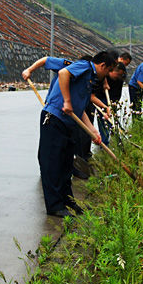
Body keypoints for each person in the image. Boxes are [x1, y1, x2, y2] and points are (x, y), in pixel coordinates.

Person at [26, 51, 115, 217]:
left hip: (68, 123)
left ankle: (68, 201)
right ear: (102, 66)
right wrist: (66, 101)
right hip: (54, 119)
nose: (108, 75)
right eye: (109, 71)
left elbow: (79, 108)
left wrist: (92, 130)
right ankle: (54, 206)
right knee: (53, 165)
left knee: (66, 165)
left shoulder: (89, 79)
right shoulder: (84, 66)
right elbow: (63, 73)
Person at [91, 62, 127, 145]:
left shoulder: (119, 79)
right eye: (117, 74)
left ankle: (117, 140)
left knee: (112, 122)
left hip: (110, 101)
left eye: (120, 75)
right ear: (111, 71)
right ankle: (104, 143)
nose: (118, 77)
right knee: (103, 121)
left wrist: (113, 105)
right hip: (98, 98)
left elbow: (118, 93)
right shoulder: (102, 75)